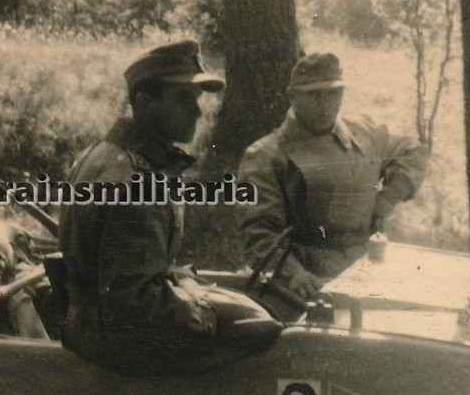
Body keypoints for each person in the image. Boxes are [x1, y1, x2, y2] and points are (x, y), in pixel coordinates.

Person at [58, 40, 225, 373]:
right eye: (183, 98)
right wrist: (203, 309)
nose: (197, 110)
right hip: (117, 344)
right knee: (257, 329)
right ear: (145, 102)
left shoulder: (103, 154)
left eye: (197, 98)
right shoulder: (136, 182)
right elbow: (132, 307)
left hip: (93, 329)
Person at [238, 53, 428, 303]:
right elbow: (259, 234)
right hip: (306, 279)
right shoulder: (265, 155)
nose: (325, 104)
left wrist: (386, 200)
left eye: (334, 93)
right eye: (314, 95)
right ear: (292, 96)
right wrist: (294, 274)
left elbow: (412, 152)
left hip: (367, 266)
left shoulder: (365, 134)